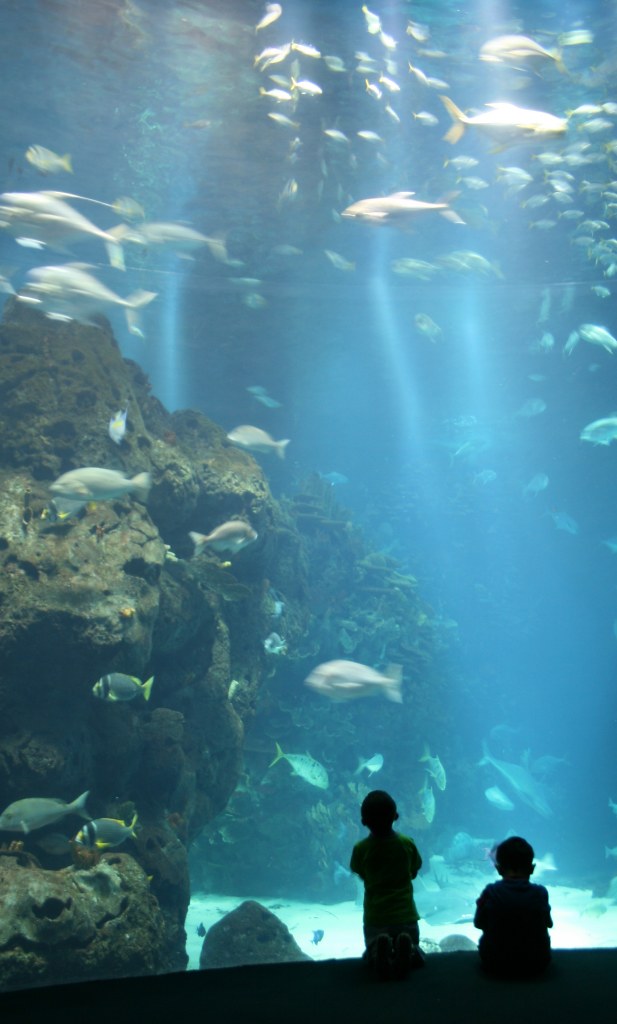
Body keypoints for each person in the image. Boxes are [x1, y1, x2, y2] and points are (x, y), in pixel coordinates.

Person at [350, 790, 423, 980]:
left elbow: (359, 871)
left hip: (376, 915)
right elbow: (415, 869)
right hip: (405, 913)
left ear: (364, 821)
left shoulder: (360, 848)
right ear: (396, 817)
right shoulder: (407, 843)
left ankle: (377, 950)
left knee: (373, 944)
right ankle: (408, 949)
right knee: (413, 948)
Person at [474, 835, 553, 977]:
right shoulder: (540, 893)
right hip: (536, 962)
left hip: (495, 963)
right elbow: (549, 923)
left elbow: (478, 923)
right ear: (532, 868)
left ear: (498, 868)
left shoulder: (490, 892)